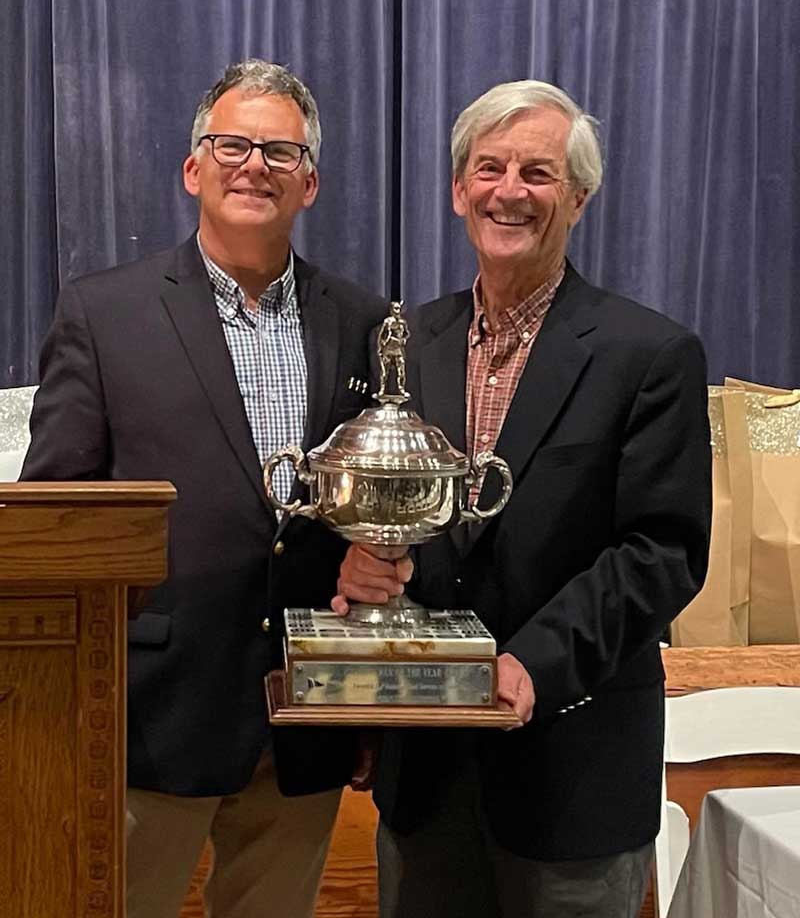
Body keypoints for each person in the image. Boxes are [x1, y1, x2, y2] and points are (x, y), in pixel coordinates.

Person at [334, 80, 712, 917]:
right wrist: (361, 570)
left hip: (572, 772)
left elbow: (664, 553)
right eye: (490, 168)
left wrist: (528, 663)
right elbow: (389, 520)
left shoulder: (648, 353)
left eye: (537, 173)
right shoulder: (406, 342)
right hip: (424, 778)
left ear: (578, 196)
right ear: (460, 189)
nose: (510, 191)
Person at [21, 59, 387, 918]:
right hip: (150, 717)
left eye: (279, 151)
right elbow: (56, 524)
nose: (253, 164)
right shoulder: (103, 313)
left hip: (307, 714)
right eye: (232, 144)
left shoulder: (365, 322)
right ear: (195, 168)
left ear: (312, 183)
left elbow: (370, 509)